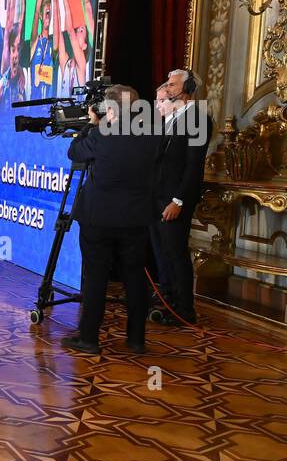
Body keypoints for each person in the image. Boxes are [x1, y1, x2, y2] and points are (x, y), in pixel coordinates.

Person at [61, 85, 157, 355]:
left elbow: (74, 152)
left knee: (95, 278)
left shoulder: (101, 133)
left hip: (98, 217)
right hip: (136, 219)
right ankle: (136, 340)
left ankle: (89, 338)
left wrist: (91, 125)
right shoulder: (151, 135)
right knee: (136, 279)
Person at [150, 68, 207, 326]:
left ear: (189, 87)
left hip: (175, 200)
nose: (168, 88)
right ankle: (168, 302)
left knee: (175, 253)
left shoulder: (198, 118)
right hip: (158, 197)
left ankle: (185, 310)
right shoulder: (172, 119)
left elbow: (194, 166)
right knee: (162, 253)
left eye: (172, 85)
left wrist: (179, 200)